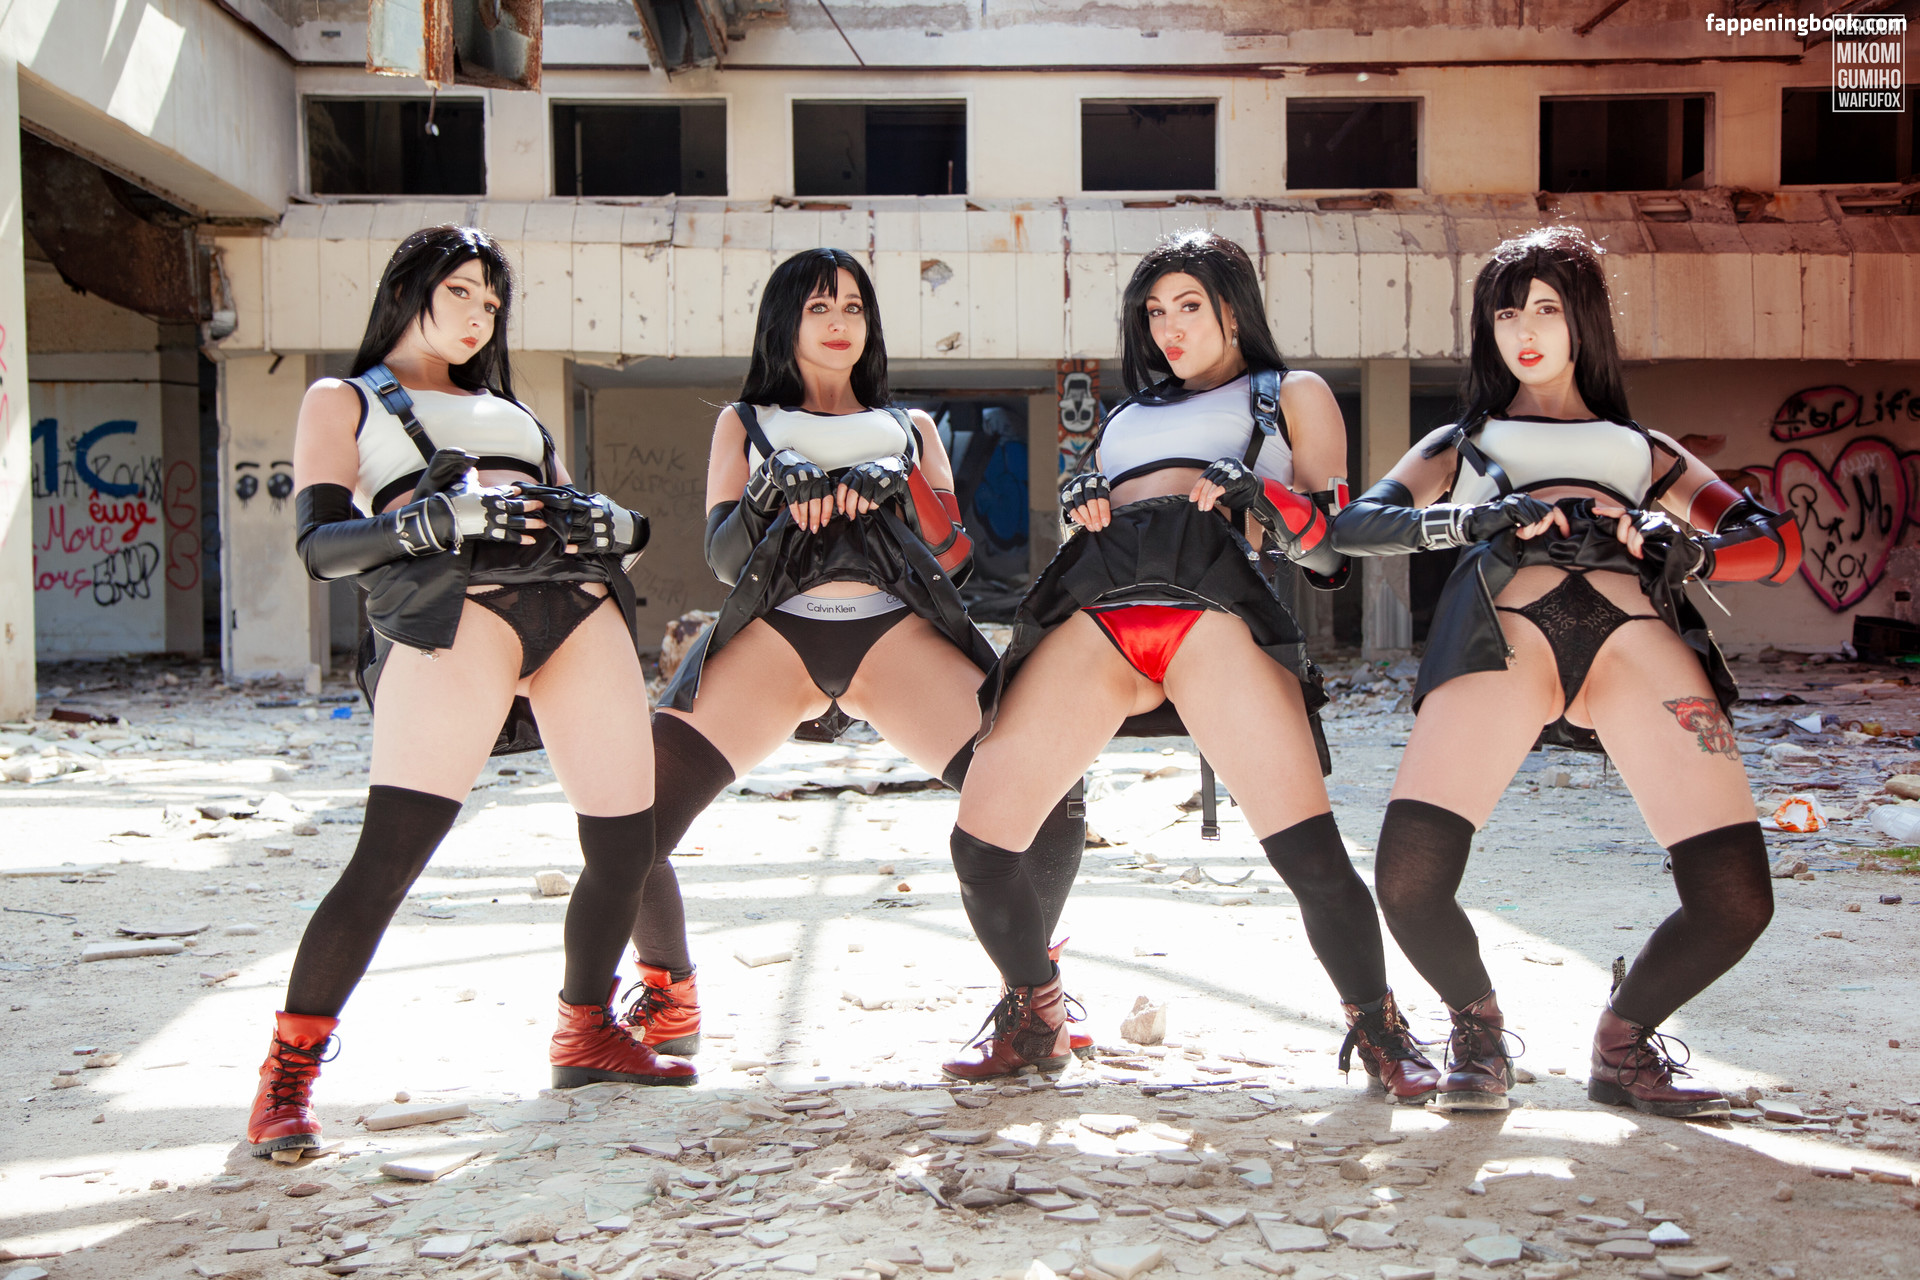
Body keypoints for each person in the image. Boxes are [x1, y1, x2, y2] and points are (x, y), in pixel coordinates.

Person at [938, 228, 1440, 1097]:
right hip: (1101, 616)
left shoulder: (1290, 394)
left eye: (1189, 306)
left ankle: (1381, 1030)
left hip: (1215, 620)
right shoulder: (1123, 419)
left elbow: (1331, 555)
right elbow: (1096, 530)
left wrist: (1263, 496)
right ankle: (1036, 1013)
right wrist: (1087, 502)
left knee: (1312, 859)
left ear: (1233, 309)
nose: (1168, 328)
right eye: (1154, 312)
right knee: (979, 846)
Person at [1332, 225, 1800, 1117]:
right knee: (1408, 880)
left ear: (1582, 318)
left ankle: (1623, 1046)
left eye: (1546, 309)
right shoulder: (1462, 441)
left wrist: (1689, 547)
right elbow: (1354, 528)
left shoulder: (1643, 447)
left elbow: (1775, 542)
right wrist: (1471, 520)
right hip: (1500, 641)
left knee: (1736, 899)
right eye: (1506, 314)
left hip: (1637, 645)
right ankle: (1477, 1030)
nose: (1525, 331)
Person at [251, 225, 686, 1159]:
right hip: (457, 617)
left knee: (627, 842)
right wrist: (434, 518)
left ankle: (586, 1030)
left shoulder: (516, 413)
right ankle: (286, 1079)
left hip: (578, 612)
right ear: (407, 289)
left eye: (492, 302)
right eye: (461, 291)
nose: (480, 314)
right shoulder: (345, 399)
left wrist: (615, 523)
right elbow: (321, 547)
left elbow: (578, 507)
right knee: (391, 855)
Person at [622, 247, 1086, 1058]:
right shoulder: (744, 423)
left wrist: (898, 485)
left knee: (1051, 796)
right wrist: (771, 487)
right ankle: (669, 998)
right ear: (785, 321)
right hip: (775, 639)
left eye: (853, 307)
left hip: (892, 638)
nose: (839, 323)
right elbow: (725, 560)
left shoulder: (912, 429)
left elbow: (955, 560)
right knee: (625, 817)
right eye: (819, 307)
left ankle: (1033, 999)